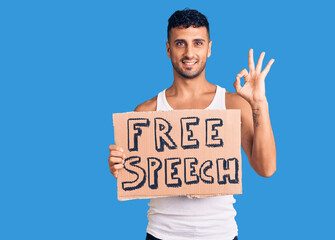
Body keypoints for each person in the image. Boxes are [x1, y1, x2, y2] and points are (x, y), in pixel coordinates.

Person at [108, 9, 276, 240]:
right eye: (180, 44)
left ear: (209, 48)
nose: (189, 53)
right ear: (168, 49)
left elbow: (265, 169)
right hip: (161, 235)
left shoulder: (232, 104)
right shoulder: (145, 113)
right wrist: (121, 168)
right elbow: (135, 174)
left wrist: (259, 104)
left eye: (197, 43)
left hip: (220, 235)